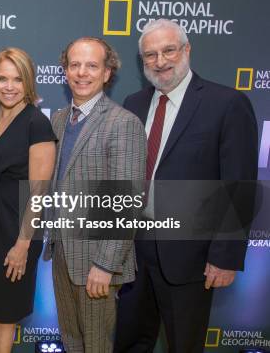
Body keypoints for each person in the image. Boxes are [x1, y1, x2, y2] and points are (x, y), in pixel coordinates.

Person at [114, 19, 258, 353]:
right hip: (134, 254)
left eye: (169, 50)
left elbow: (238, 186)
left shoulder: (226, 104)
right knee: (128, 343)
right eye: (150, 55)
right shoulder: (134, 103)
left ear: (187, 50)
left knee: (184, 346)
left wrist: (226, 256)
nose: (160, 61)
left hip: (190, 257)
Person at [47, 37, 146, 353]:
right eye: (74, 65)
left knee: (96, 344)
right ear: (65, 71)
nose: (81, 72)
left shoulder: (123, 123)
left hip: (97, 261)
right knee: (71, 340)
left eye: (92, 65)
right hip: (62, 253)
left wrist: (105, 265)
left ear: (107, 73)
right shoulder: (60, 119)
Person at [0, 48, 56, 353]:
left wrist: (23, 244)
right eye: (2, 78)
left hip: (15, 231)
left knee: (5, 318)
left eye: (17, 79)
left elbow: (39, 191)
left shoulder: (36, 123)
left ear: (28, 82)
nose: (9, 86)